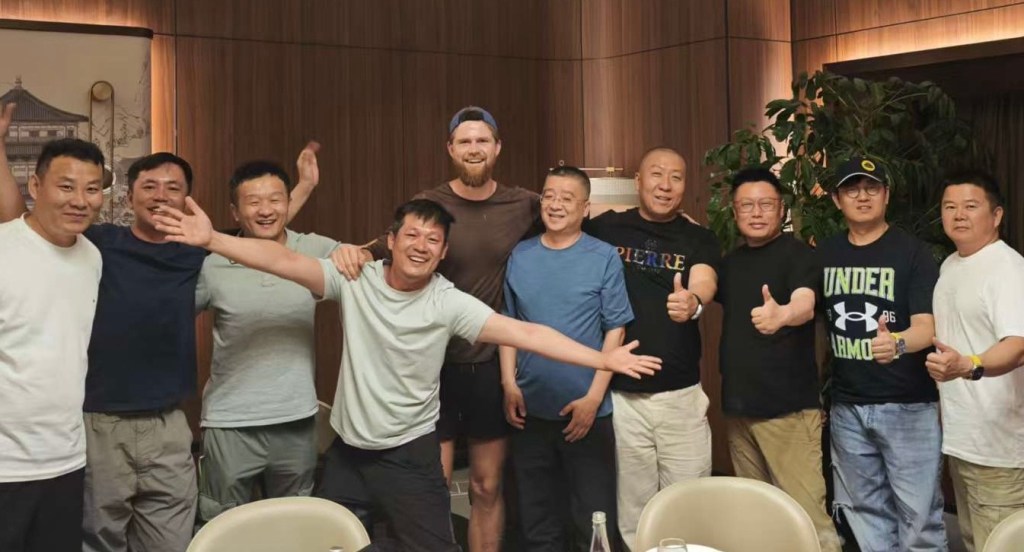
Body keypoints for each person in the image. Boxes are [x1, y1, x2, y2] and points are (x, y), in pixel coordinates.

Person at [152, 196, 660, 552]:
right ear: (391, 241)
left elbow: (525, 332)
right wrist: (213, 239)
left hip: (410, 455)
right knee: (320, 539)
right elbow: (282, 260)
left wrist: (602, 359)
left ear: (443, 253)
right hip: (348, 454)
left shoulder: (447, 302)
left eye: (433, 240)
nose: (421, 245)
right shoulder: (355, 279)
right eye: (412, 235)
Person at [0, 131, 321, 551]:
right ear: (128, 197)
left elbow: (263, 230)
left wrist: (304, 187)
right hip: (99, 421)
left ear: (188, 200)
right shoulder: (95, 243)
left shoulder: (200, 251)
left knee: (172, 540)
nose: (161, 196)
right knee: (99, 537)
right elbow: (25, 226)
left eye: (173, 188)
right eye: (149, 186)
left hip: (169, 422)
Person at [331, 106, 539, 552]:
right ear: (450, 149)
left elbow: (576, 209)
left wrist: (671, 217)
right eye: (464, 141)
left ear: (497, 148)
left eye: (482, 140)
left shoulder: (524, 204)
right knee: (431, 488)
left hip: (486, 363)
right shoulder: (431, 202)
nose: (474, 149)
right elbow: (382, 247)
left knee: (485, 486)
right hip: (431, 367)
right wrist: (351, 252)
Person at [584, 147, 720, 551]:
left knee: (689, 505)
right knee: (634, 511)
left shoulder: (698, 237)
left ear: (685, 185)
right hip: (624, 399)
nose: (665, 185)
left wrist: (693, 301)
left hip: (681, 398)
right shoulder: (608, 227)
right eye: (656, 175)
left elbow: (706, 279)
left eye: (676, 177)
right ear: (638, 181)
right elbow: (564, 210)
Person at [194, 160, 339, 522]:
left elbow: (368, 266)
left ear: (289, 203)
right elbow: (169, 318)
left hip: (296, 420)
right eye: (253, 202)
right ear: (235, 212)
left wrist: (361, 253)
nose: (265, 210)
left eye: (275, 200)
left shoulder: (315, 249)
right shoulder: (213, 263)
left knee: (294, 524)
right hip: (230, 422)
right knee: (223, 526)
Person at [819, 157, 947, 551]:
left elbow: (926, 327)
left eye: (872, 188)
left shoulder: (913, 252)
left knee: (920, 521)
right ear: (837, 200)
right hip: (848, 407)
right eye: (852, 189)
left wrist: (898, 343)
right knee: (865, 515)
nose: (863, 196)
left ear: (886, 195)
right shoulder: (825, 254)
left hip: (908, 406)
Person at [500, 166, 631, 551]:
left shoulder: (603, 256)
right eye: (549, 195)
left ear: (585, 208)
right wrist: (508, 383)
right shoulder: (521, 255)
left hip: (588, 412)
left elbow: (616, 330)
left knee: (592, 519)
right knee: (537, 520)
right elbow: (508, 325)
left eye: (567, 198)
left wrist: (593, 399)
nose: (555, 204)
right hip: (530, 411)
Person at [715, 167, 840, 552]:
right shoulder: (730, 263)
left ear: (781, 209)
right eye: (747, 205)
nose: (756, 212)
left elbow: (805, 304)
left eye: (766, 204)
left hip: (787, 412)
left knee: (808, 520)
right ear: (734, 211)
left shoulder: (799, 255)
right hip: (740, 411)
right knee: (757, 519)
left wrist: (782, 315)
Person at [0, 130, 105, 550]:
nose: (80, 200)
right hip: (5, 465)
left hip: (65, 458)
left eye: (92, 189)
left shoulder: (91, 256)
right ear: (35, 186)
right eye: (66, 186)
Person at [926, 172, 1024, 552]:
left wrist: (969, 365)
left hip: (1000, 448)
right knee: (972, 541)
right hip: (964, 439)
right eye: (950, 207)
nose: (959, 215)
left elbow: (1017, 344)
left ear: (996, 215)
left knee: (999, 545)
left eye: (970, 206)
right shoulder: (951, 265)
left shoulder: (1008, 269)